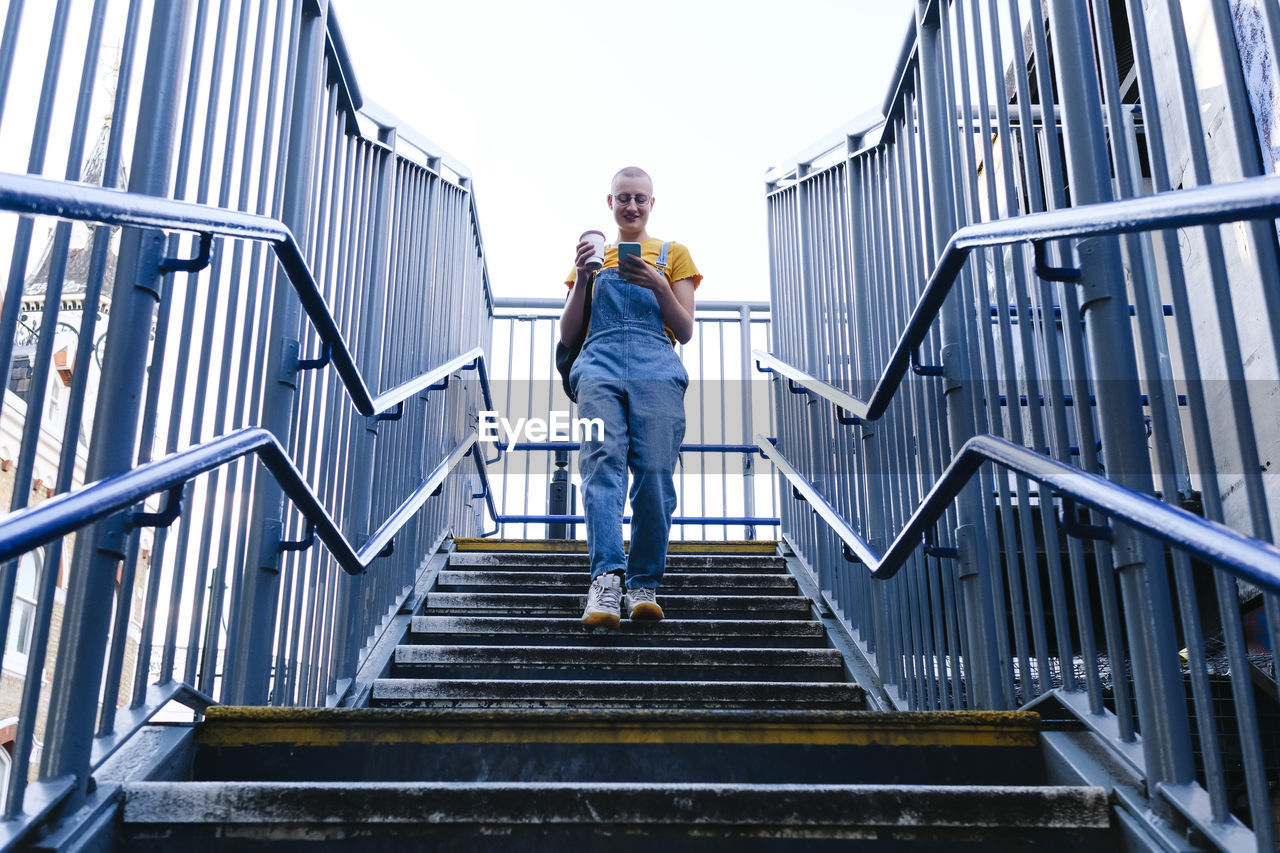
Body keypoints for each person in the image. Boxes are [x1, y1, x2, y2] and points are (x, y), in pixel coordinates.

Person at [561, 166, 701, 629]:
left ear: (652, 203)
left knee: (656, 477)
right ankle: (605, 581)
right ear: (610, 203)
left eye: (641, 198)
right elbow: (569, 333)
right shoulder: (593, 257)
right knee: (602, 465)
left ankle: (644, 584)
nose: (632, 206)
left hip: (656, 367)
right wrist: (584, 277)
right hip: (598, 365)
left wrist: (658, 284)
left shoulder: (673, 254)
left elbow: (684, 330)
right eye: (624, 198)